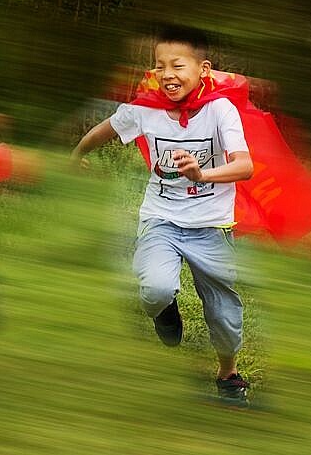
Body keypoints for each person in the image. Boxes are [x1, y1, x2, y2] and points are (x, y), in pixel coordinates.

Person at [71, 25, 255, 407]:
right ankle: (164, 308)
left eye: (178, 65)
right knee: (154, 289)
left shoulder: (220, 109)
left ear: (203, 69)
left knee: (223, 311)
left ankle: (228, 374)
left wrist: (202, 175)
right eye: (159, 66)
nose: (167, 74)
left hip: (211, 224)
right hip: (162, 219)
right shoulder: (146, 109)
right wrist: (78, 154)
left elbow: (244, 165)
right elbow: (106, 129)